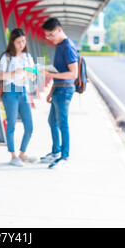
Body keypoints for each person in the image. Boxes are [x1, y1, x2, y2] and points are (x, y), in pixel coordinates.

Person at [39, 18, 78, 169]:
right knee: (52, 121)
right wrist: (51, 91)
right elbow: (59, 71)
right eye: (47, 36)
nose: (49, 38)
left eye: (50, 35)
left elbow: (73, 73)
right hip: (58, 89)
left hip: (65, 90)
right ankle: (56, 152)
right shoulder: (60, 45)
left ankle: (64, 155)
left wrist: (51, 76)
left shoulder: (67, 47)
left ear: (59, 30)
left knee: (62, 123)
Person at [0, 28, 37, 167]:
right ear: (12, 42)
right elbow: (0, 76)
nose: (22, 44)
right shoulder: (7, 57)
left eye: (23, 41)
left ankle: (22, 154)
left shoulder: (28, 57)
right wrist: (15, 72)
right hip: (10, 91)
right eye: (19, 42)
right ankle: (13, 156)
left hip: (23, 91)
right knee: (12, 124)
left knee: (29, 126)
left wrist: (30, 75)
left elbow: (34, 75)